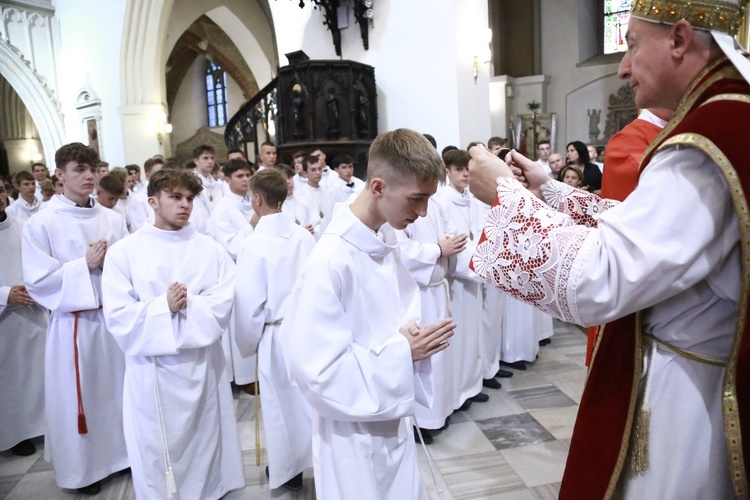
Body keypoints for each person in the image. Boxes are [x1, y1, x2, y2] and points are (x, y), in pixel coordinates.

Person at [467, 1, 750, 496]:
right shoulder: (732, 123)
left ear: (680, 40)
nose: (622, 67)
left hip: (686, 396)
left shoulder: (704, 145)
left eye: (633, 45)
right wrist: (550, 190)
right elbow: (652, 237)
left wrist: (503, 195)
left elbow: (602, 278)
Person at [279, 128, 455, 499]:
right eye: (416, 199)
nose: (422, 213)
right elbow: (314, 369)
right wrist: (402, 352)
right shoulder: (330, 259)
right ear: (378, 187)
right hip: (351, 435)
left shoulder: (383, 240)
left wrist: (407, 342)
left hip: (389, 418)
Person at [102, 168, 244, 499]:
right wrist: (162, 307)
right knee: (156, 449)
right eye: (176, 197)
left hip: (202, 366)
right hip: (152, 373)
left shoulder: (210, 249)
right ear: (153, 201)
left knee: (206, 441)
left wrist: (188, 305)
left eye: (190, 198)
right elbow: (119, 317)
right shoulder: (125, 252)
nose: (185, 205)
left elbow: (223, 303)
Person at [22, 142, 129, 495]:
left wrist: (115, 263)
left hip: (114, 322)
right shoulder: (42, 223)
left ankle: (124, 455)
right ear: (59, 174)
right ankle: (85, 470)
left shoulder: (112, 218)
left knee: (117, 393)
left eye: (91, 169)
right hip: (75, 324)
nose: (88, 176)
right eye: (79, 169)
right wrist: (84, 266)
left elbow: (132, 266)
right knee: (80, 399)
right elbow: (39, 282)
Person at [234, 169, 315, 491]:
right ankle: (319, 460)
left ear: (257, 199)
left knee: (280, 406)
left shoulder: (253, 245)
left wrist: (248, 343)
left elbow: (248, 304)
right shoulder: (305, 236)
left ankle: (288, 471)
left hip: (274, 334)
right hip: (307, 330)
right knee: (309, 401)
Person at [434, 149, 487, 405]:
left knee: (475, 333)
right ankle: (458, 391)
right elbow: (453, 240)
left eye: (467, 168)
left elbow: (478, 232)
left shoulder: (472, 198)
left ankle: (472, 385)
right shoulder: (443, 201)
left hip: (475, 270)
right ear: (448, 172)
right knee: (461, 336)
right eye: (458, 169)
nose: (465, 174)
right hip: (458, 278)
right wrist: (476, 261)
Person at [0, 180, 47, 457]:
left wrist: (35, 287)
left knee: (38, 372)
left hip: (33, 309)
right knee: (10, 380)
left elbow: (40, 262)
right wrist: (6, 295)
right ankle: (14, 432)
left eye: (0, 191)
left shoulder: (23, 227)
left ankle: (42, 425)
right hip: (5, 319)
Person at [207, 158, 257, 390]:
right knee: (241, 323)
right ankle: (245, 378)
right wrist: (252, 226)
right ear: (227, 180)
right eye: (240, 176)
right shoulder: (222, 210)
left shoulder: (252, 202)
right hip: (235, 273)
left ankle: (256, 372)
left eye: (248, 175)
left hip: (255, 270)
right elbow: (231, 246)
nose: (246, 179)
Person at [299, 154, 336, 239]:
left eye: (320, 169)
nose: (318, 172)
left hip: (329, 237)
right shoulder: (300, 195)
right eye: (313, 170)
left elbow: (334, 216)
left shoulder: (328, 193)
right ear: (305, 173)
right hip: (311, 239)